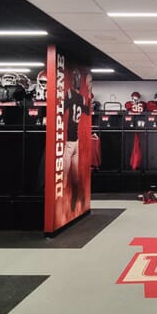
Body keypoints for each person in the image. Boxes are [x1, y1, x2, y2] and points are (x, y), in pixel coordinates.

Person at [64, 69, 90, 212]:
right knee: (74, 177)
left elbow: (60, 110)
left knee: (65, 177)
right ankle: (75, 204)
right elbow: (87, 111)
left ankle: (72, 206)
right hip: (76, 141)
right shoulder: (82, 98)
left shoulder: (70, 94)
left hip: (69, 142)